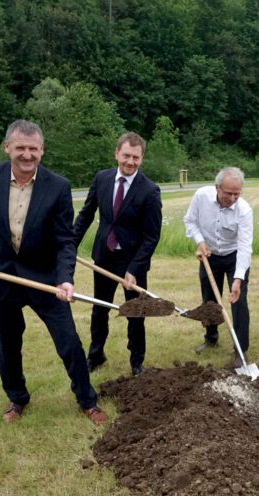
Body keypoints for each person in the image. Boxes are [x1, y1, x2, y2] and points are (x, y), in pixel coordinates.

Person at [0, 119, 108, 425]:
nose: (27, 155)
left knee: (69, 342)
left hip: (44, 277)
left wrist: (65, 278)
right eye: (21, 148)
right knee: (8, 344)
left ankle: (87, 400)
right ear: (7, 147)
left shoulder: (58, 186)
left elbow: (65, 240)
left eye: (33, 149)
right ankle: (18, 398)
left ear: (42, 150)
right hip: (0, 276)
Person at [73, 132, 162, 376]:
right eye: (126, 155)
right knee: (99, 308)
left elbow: (151, 236)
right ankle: (96, 354)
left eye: (136, 157)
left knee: (135, 312)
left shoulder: (150, 190)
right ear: (116, 154)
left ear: (142, 158)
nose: (130, 161)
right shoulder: (102, 179)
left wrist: (134, 269)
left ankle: (136, 362)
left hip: (132, 262)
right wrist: (69, 246)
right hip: (104, 256)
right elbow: (86, 215)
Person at [183, 167, 253, 368]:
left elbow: (245, 247)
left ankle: (241, 350)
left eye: (237, 194)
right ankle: (211, 337)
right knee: (210, 300)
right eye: (228, 193)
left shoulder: (244, 210)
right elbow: (190, 221)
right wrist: (200, 240)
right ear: (217, 188)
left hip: (234, 257)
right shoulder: (201, 196)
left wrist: (238, 279)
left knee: (238, 302)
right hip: (209, 256)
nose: (232, 198)